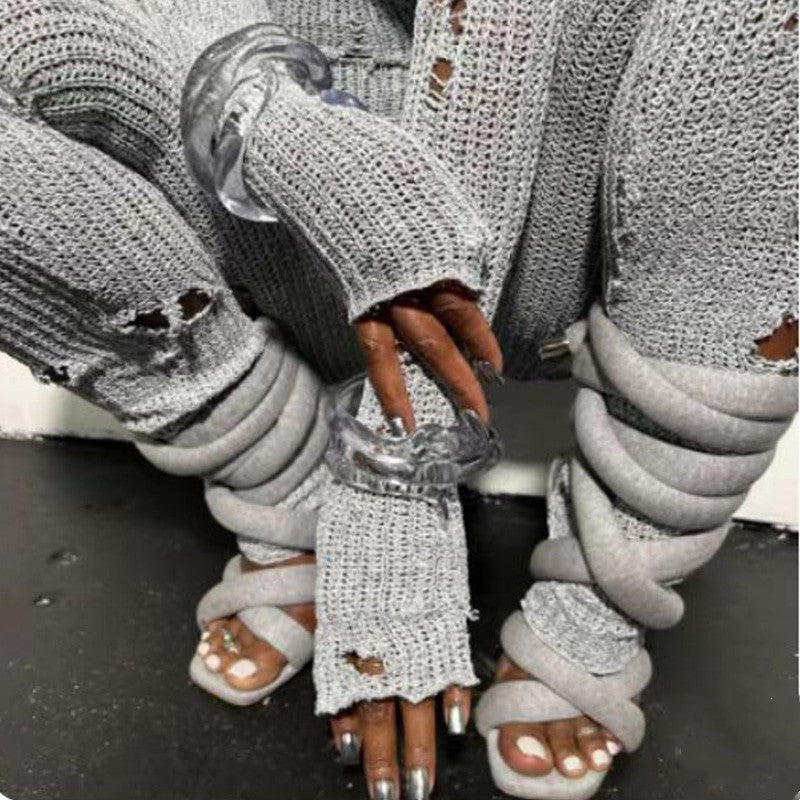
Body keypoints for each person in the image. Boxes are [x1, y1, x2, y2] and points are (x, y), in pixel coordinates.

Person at [0, 1, 796, 799]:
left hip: (571, 213)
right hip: (272, 220)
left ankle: (614, 566)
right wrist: (278, 129)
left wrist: (395, 496)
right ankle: (278, 471)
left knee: (758, 34)